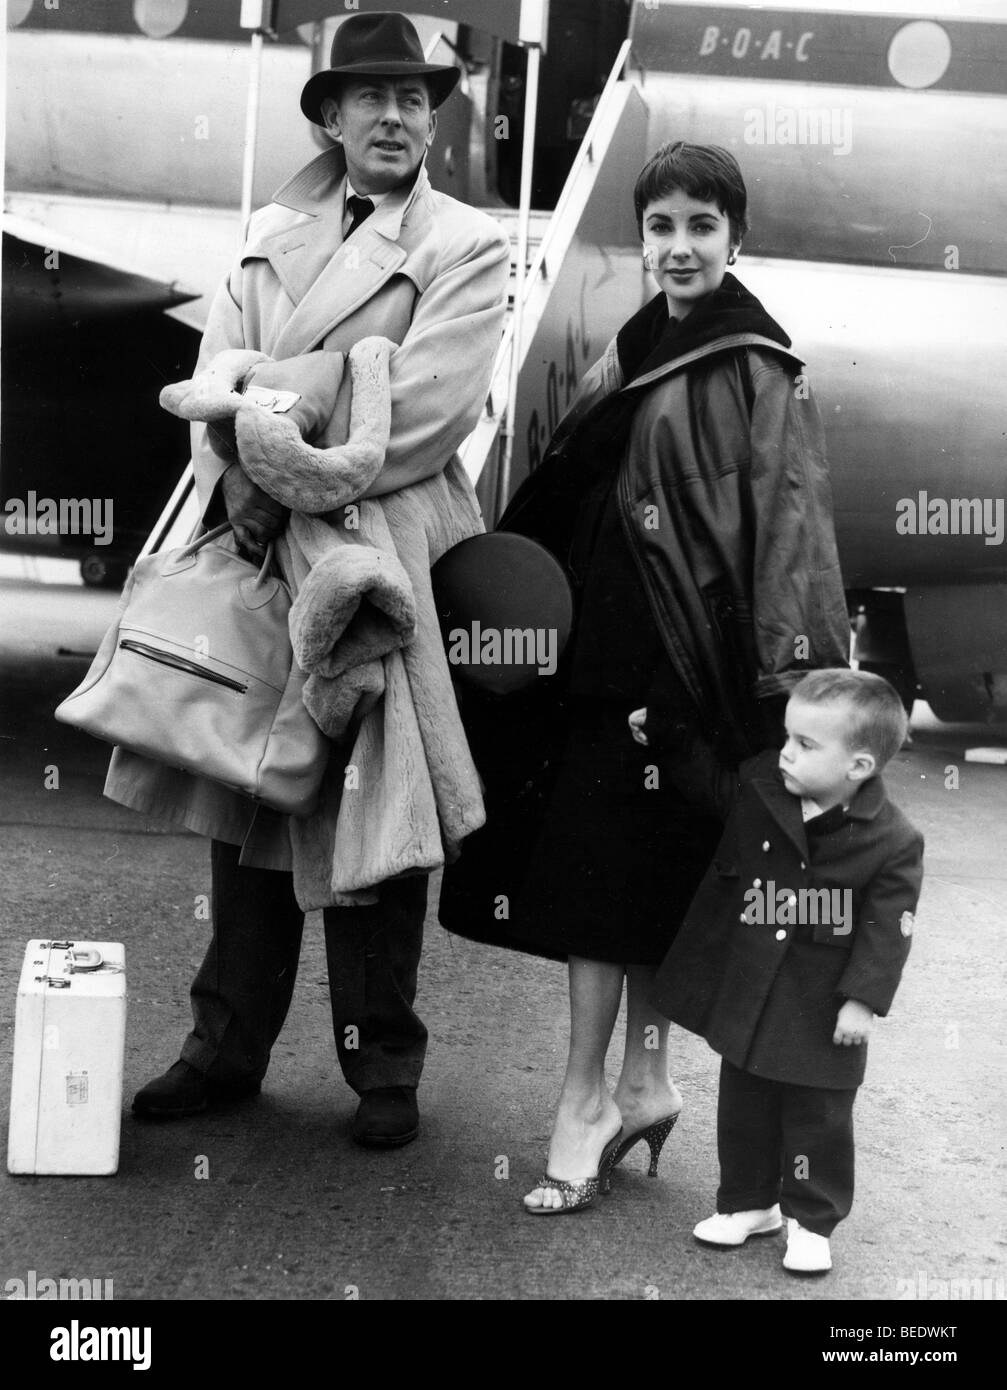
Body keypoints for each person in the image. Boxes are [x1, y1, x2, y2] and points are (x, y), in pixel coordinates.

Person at [116, 12, 510, 1147]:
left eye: (413, 96)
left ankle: (382, 1061)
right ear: (329, 115)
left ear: (431, 116)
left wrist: (265, 408)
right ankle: (221, 1047)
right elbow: (211, 391)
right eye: (369, 95)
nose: (395, 114)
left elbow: (421, 421)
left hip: (377, 555)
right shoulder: (270, 228)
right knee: (246, 787)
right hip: (256, 541)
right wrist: (312, 397)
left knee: (372, 809)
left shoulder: (467, 245)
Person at [439, 142, 851, 1212]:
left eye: (699, 227)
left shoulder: (755, 366)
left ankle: (584, 1100)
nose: (677, 247)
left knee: (608, 890)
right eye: (660, 227)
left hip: (673, 677)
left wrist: (781, 701)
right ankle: (639, 1080)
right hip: (601, 657)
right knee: (620, 888)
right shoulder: (639, 342)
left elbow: (789, 540)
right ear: (643, 236)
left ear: (734, 238)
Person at [641, 669, 924, 1273]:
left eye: (806, 745)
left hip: (823, 1002)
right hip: (754, 985)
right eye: (787, 737)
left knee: (818, 1117)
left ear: (858, 768)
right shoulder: (766, 786)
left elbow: (888, 925)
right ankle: (749, 1203)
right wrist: (664, 732)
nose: (786, 753)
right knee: (742, 1101)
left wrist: (863, 1000)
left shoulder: (894, 839)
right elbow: (709, 785)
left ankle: (812, 1220)